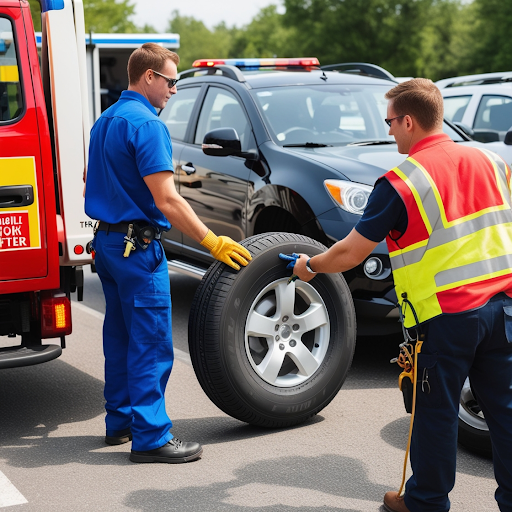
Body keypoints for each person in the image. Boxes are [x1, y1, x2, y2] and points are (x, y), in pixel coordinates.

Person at [290, 78, 512, 511]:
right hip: (503, 309)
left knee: (435, 416)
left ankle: (425, 502)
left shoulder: (402, 181)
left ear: (409, 121)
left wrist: (310, 267)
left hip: (446, 319)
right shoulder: (494, 161)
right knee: (506, 412)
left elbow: (352, 252)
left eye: (390, 121)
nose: (388, 130)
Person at [84, 43, 251, 464]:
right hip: (137, 249)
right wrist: (212, 241)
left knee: (120, 337)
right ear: (149, 78)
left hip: (108, 243)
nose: (175, 89)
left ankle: (120, 423)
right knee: (151, 343)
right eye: (172, 80)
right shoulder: (147, 125)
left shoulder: (105, 121)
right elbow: (168, 200)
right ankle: (152, 437)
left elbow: (90, 183)